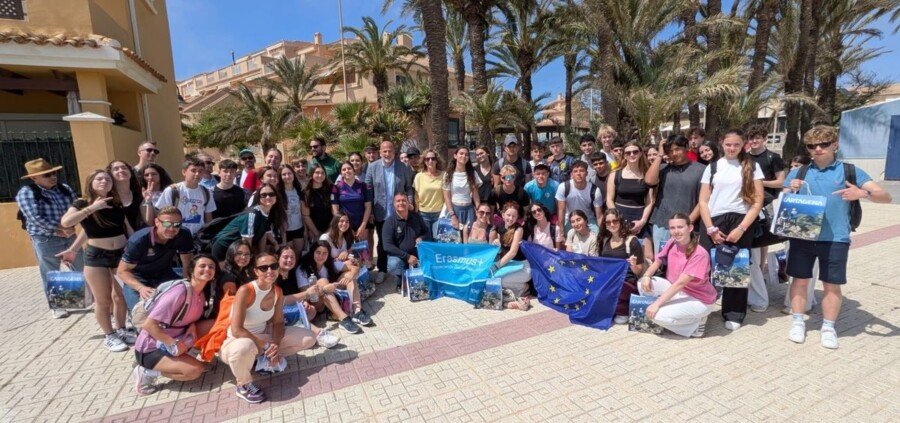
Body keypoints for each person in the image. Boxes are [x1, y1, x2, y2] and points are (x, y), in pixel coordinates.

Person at [783, 125, 891, 349]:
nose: (818, 149)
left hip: (835, 238)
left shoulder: (850, 171)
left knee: (832, 285)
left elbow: (886, 197)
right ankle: (797, 321)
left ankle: (828, 327)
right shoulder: (799, 172)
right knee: (799, 280)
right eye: (812, 146)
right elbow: (784, 200)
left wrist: (863, 193)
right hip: (802, 236)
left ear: (835, 144)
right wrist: (788, 189)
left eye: (823, 144)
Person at [220, 253, 317, 403]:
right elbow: (237, 330)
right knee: (244, 348)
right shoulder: (246, 290)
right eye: (264, 268)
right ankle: (243, 384)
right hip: (237, 341)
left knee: (309, 338)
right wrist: (266, 346)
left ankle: (258, 362)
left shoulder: (277, 291)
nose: (270, 271)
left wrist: (275, 346)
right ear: (256, 271)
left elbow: (278, 323)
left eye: (274, 266)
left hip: (263, 337)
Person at [60, 170, 133, 351]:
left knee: (121, 295)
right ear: (90, 182)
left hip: (121, 253)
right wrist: (92, 208)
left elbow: (126, 226)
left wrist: (135, 246)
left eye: (107, 179)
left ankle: (121, 329)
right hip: (97, 255)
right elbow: (66, 222)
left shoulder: (114, 201)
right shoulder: (82, 203)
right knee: (103, 300)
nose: (104, 181)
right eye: (99, 179)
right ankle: (109, 335)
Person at [698, 129, 764, 331]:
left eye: (736, 144)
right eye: (728, 144)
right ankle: (702, 308)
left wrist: (742, 228)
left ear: (743, 144)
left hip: (740, 221)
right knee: (706, 266)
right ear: (721, 144)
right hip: (714, 221)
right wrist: (710, 229)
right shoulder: (713, 167)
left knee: (736, 268)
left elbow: (758, 201)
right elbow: (703, 200)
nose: (732, 148)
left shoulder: (752, 166)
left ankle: (734, 312)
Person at [131, 254, 218, 395]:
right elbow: (149, 325)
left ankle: (185, 358)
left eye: (211, 267)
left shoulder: (201, 294)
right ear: (191, 271)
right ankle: (147, 372)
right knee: (194, 371)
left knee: (214, 324)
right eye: (202, 266)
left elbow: (187, 317)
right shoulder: (179, 292)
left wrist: (192, 326)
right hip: (151, 348)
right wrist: (173, 343)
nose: (207, 269)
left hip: (175, 341)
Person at [16, 158, 83, 318]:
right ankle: (58, 306)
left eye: (53, 173)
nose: (52, 177)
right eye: (46, 175)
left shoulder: (64, 188)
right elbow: (34, 217)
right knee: (51, 272)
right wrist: (60, 228)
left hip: (70, 235)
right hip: (46, 238)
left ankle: (79, 299)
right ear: (34, 178)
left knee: (80, 266)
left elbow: (77, 207)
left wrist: (71, 225)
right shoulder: (27, 193)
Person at [637, 213, 717, 337]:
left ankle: (695, 325)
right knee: (641, 282)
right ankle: (678, 314)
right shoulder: (672, 242)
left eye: (680, 227)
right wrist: (647, 275)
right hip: (678, 291)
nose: (676, 231)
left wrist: (656, 304)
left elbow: (680, 283)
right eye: (672, 228)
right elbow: (658, 260)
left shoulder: (699, 253)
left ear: (690, 228)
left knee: (656, 315)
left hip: (699, 299)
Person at [117, 207, 194, 311]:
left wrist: (186, 280)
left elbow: (187, 259)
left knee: (186, 298)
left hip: (164, 273)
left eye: (177, 224)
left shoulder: (183, 234)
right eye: (167, 224)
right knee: (140, 311)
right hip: (138, 277)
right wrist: (141, 288)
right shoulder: (139, 240)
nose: (172, 229)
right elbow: (122, 271)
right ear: (157, 222)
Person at [745, 124, 787, 311]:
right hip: (748, 206)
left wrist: (759, 182)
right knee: (753, 250)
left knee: (763, 242)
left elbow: (781, 181)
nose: (754, 142)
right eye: (751, 138)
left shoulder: (773, 157)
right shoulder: (744, 158)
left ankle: (762, 284)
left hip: (768, 205)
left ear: (764, 139)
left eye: (757, 138)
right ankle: (756, 290)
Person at [645, 135, 705, 252]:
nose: (674, 153)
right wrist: (660, 155)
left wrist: (687, 222)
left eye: (677, 149)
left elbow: (703, 201)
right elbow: (649, 181)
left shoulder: (701, 170)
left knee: (686, 263)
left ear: (686, 147)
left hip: (688, 226)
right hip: (662, 224)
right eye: (670, 151)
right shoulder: (663, 169)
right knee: (662, 264)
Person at [272, 246, 340, 348]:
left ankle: (301, 331)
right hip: (275, 312)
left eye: (292, 257)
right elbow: (279, 300)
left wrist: (303, 302)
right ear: (277, 258)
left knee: (311, 311)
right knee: (299, 314)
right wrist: (306, 294)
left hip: (290, 309)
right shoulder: (274, 276)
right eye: (285, 257)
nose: (289, 260)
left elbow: (294, 294)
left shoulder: (291, 273)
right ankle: (319, 333)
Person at [298, 241, 371, 333]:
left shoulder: (329, 263)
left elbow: (354, 268)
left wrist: (351, 274)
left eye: (325, 253)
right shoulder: (302, 269)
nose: (321, 256)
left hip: (330, 294)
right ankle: (344, 319)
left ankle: (357, 311)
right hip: (316, 303)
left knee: (348, 275)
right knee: (323, 281)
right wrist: (324, 289)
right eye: (318, 252)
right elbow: (306, 295)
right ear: (312, 252)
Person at [365, 140, 415, 274]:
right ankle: (382, 270)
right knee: (383, 243)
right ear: (380, 153)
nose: (387, 153)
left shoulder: (403, 167)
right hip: (380, 212)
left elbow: (409, 188)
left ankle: (401, 270)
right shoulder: (372, 167)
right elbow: (368, 191)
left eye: (390, 151)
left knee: (401, 242)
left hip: (398, 212)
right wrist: (369, 212)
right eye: (384, 151)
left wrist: (410, 203)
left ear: (394, 152)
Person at [607, 142, 655, 260]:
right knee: (621, 254)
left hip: (640, 219)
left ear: (640, 154)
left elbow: (650, 201)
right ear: (624, 155)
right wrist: (617, 220)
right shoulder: (615, 174)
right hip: (619, 217)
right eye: (628, 152)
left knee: (647, 256)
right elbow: (609, 199)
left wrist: (643, 221)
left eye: (635, 152)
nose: (632, 155)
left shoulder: (647, 174)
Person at [211, 184, 283, 261]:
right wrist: (252, 260)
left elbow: (263, 234)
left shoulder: (266, 213)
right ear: (258, 198)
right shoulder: (252, 214)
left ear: (276, 197)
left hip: (237, 249)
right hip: (224, 247)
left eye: (271, 194)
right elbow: (246, 241)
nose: (268, 197)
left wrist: (261, 255)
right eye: (263, 195)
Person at [597, 209, 644, 324]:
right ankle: (618, 309)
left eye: (615, 221)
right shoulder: (605, 240)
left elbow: (638, 271)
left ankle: (622, 310)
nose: (612, 224)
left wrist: (633, 265)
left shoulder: (632, 241)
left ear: (621, 221)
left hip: (626, 283)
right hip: (610, 281)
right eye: (608, 222)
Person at [155, 157, 217, 236]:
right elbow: (162, 215)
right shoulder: (173, 190)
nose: (197, 174)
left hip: (197, 236)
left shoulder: (206, 192)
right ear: (184, 172)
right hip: (176, 235)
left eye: (200, 171)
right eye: (193, 170)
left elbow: (208, 217)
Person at [382, 193, 432, 284]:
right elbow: (387, 246)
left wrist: (421, 237)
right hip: (400, 256)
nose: (401, 203)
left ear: (408, 203)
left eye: (404, 200)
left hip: (417, 255)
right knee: (394, 264)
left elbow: (427, 232)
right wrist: (407, 257)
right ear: (394, 204)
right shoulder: (389, 222)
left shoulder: (416, 217)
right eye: (398, 201)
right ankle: (400, 280)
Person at [492, 204, 532, 303]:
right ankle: (514, 290)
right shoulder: (499, 227)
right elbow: (498, 245)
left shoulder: (519, 229)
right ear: (503, 215)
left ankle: (524, 288)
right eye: (508, 215)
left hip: (522, 267)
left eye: (514, 216)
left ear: (517, 217)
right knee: (492, 278)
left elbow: (513, 252)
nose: (510, 218)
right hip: (509, 265)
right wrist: (496, 241)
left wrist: (497, 265)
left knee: (499, 280)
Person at [331, 161, 373, 255]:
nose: (347, 171)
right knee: (348, 253)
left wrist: (363, 225)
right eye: (344, 169)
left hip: (362, 223)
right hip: (344, 225)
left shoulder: (363, 186)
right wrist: (345, 226)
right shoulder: (336, 187)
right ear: (341, 173)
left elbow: (368, 206)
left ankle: (365, 267)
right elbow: (335, 209)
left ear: (354, 170)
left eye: (349, 168)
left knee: (363, 253)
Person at [556, 160, 603, 235]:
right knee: (564, 239)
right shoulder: (564, 187)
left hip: (588, 219)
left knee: (597, 238)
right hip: (569, 219)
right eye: (575, 171)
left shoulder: (594, 190)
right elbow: (561, 210)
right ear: (571, 174)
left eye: (581, 170)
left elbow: (599, 216)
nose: (578, 173)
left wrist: (601, 233)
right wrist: (561, 230)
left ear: (586, 173)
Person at [443, 146, 481, 229]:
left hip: (469, 210)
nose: (464, 156)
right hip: (454, 210)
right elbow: (447, 197)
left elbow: (475, 195)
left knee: (468, 237)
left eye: (466, 154)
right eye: (461, 153)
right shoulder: (448, 174)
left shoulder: (472, 174)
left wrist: (479, 211)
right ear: (455, 156)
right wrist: (452, 215)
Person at [413, 149, 446, 232]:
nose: (430, 161)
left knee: (438, 241)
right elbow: (416, 197)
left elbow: (447, 195)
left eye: (433, 158)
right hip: (423, 214)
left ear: (436, 160)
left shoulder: (444, 175)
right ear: (424, 161)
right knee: (426, 240)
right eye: (427, 159)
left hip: (439, 214)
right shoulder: (419, 176)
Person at [301, 164, 334, 242]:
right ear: (312, 174)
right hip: (314, 231)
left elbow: (335, 211)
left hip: (331, 229)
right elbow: (306, 216)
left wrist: (329, 231)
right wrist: (316, 233)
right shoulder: (306, 193)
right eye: (317, 172)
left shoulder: (331, 188)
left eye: (323, 173)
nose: (320, 175)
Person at [279, 166, 305, 254]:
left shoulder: (298, 190)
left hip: (298, 228)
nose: (287, 176)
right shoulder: (278, 192)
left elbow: (303, 212)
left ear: (293, 175)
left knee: (298, 254)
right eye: (284, 174)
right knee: (288, 255)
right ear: (280, 177)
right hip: (285, 231)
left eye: (289, 173)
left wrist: (305, 230)